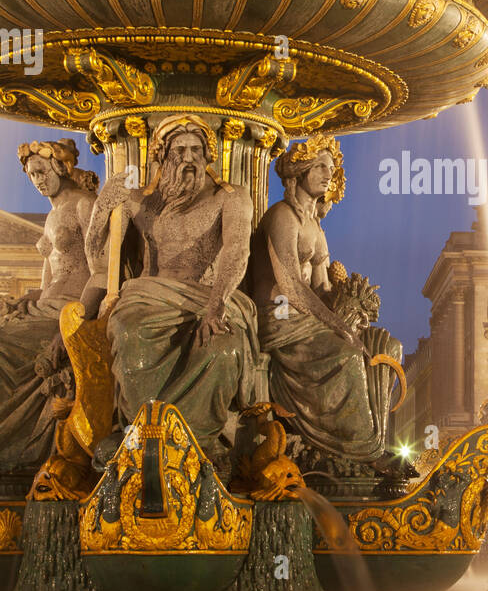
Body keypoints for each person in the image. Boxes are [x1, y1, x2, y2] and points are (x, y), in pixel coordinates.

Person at [83, 115, 257, 476]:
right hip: (147, 297)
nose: (189, 157)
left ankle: (201, 445)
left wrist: (217, 305)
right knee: (130, 334)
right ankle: (137, 434)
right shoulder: (136, 201)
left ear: (209, 156)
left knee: (224, 349)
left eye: (196, 149)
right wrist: (102, 209)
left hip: (210, 297)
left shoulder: (232, 198)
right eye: (179, 149)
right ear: (162, 157)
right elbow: (100, 261)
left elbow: (237, 250)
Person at [248, 133, 402, 464]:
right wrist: (337, 324)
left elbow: (321, 289)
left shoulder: (316, 228)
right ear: (298, 172)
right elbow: (290, 282)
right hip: (280, 317)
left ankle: (374, 437)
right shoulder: (282, 216)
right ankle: (355, 447)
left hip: (308, 316)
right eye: (319, 166)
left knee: (384, 345)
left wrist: (352, 306)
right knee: (345, 351)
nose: (327, 174)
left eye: (330, 168)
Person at [0, 140, 98, 482]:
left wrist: (75, 323)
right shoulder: (53, 213)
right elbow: (50, 273)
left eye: (42, 171)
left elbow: (102, 272)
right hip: (45, 306)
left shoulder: (85, 206)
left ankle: (15, 450)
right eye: (30, 176)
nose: (37, 180)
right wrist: (30, 296)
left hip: (68, 310)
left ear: (60, 167)